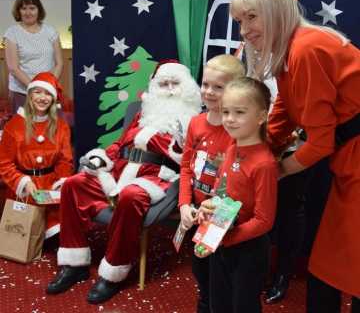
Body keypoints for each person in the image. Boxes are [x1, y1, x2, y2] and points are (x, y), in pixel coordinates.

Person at [230, 0, 360, 312]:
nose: (244, 30)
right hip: (348, 156)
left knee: (339, 259)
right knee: (330, 260)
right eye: (240, 21)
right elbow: (286, 110)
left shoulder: (305, 49)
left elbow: (319, 143)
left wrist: (269, 170)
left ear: (275, 10)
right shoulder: (291, 49)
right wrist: (256, 150)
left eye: (251, 17)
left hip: (353, 156)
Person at [46, 62, 202, 304]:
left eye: (176, 84)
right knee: (73, 184)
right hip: (121, 170)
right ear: (154, 86)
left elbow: (188, 160)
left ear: (188, 87)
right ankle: (74, 263)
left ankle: (113, 271)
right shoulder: (144, 113)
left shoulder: (194, 121)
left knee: (130, 195)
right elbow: (120, 144)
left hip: (158, 177)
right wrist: (102, 158)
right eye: (164, 84)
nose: (170, 90)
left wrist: (175, 144)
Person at [195, 77, 278, 313]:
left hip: (248, 249)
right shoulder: (232, 148)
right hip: (220, 239)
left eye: (239, 112)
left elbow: (264, 220)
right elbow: (222, 192)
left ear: (261, 116)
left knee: (243, 306)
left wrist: (227, 239)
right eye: (226, 111)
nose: (230, 119)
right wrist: (207, 207)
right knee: (218, 303)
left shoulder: (264, 164)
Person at [179, 54, 245, 313]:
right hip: (196, 214)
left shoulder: (238, 131)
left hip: (223, 218)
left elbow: (239, 182)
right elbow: (186, 168)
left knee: (222, 281)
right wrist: (184, 205)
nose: (209, 91)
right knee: (201, 273)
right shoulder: (196, 123)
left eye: (219, 87)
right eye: (206, 84)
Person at [0, 72, 73, 239]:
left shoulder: (61, 127)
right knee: (23, 237)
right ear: (30, 95)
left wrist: (61, 183)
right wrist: (23, 182)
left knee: (59, 237)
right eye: (38, 92)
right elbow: (4, 164)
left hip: (50, 190)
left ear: (53, 99)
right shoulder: (14, 126)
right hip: (24, 192)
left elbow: (65, 160)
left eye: (48, 93)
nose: (43, 98)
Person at [4, 0, 63, 113]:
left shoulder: (51, 31)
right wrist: (35, 89)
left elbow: (59, 63)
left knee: (51, 129)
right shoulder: (12, 33)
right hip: (22, 92)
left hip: (48, 90)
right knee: (25, 131)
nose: (28, 12)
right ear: (18, 11)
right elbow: (13, 68)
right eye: (24, 8)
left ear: (39, 10)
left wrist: (48, 86)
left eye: (32, 8)